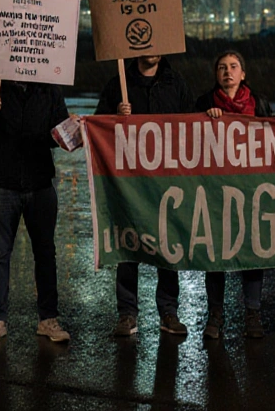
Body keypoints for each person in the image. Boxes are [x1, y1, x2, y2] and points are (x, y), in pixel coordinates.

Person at [96, 54, 195, 337]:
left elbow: (191, 124)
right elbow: (98, 124)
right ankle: (127, 313)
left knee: (167, 244)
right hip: (129, 181)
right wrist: (115, 114)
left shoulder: (176, 84)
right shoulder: (120, 84)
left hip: (166, 180)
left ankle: (169, 312)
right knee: (129, 245)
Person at [0, 79, 73, 346]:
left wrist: (73, 129)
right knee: (0, 252)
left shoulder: (50, 90)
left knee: (45, 252)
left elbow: (60, 137)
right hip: (3, 182)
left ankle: (48, 319)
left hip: (39, 183)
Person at [194, 50, 270, 339]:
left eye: (234, 66)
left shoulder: (258, 103)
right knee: (216, 253)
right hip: (215, 189)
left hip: (251, 190)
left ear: (243, 74)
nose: (228, 72)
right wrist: (205, 118)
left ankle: (252, 312)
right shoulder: (205, 103)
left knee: (252, 252)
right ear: (216, 74)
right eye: (222, 67)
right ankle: (216, 314)